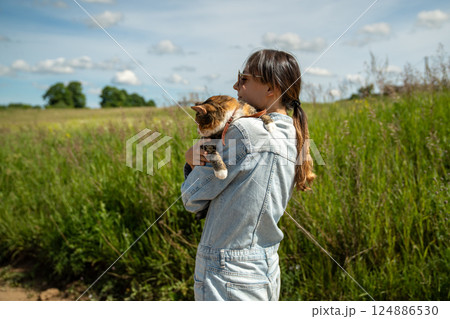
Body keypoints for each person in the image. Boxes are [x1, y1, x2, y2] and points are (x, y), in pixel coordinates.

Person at [181, 49, 316, 301]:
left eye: (244, 79)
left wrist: (190, 161)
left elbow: (193, 199)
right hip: (265, 266)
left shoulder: (244, 130)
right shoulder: (293, 134)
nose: (235, 86)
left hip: (228, 272)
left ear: (271, 89)